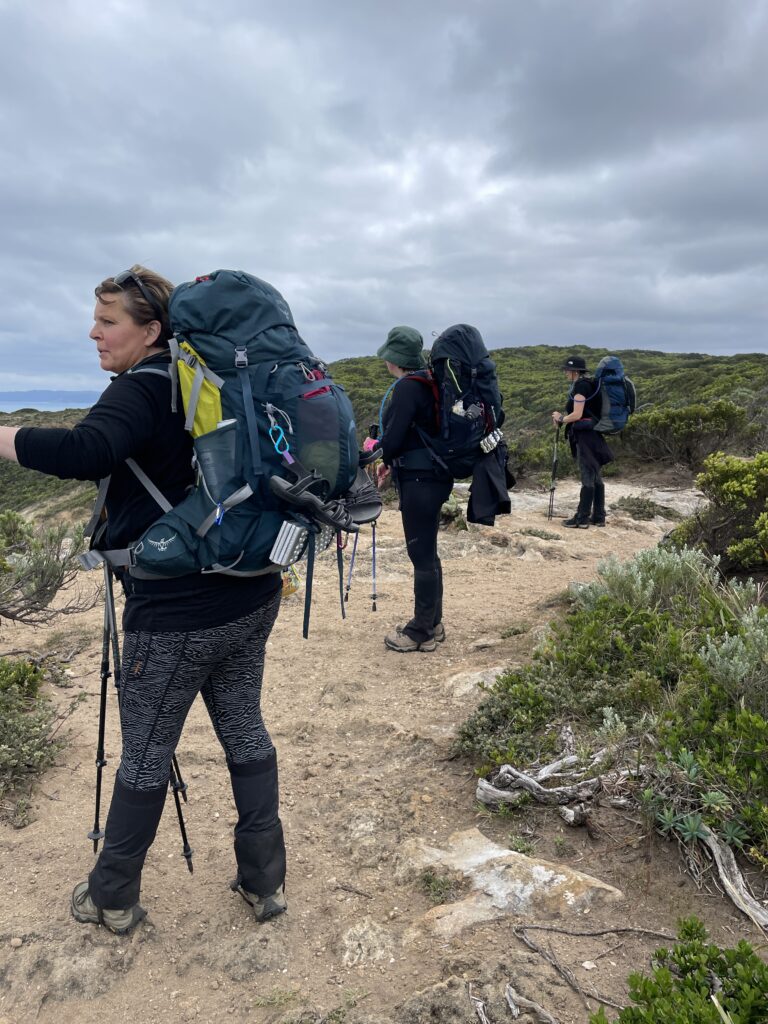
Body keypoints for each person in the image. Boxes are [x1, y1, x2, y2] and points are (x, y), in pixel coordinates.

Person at [0, 266, 286, 933]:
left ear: (151, 330)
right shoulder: (208, 387)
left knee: (147, 750)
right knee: (244, 728)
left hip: (178, 613)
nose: (93, 333)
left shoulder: (145, 387)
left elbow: (85, 449)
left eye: (108, 322)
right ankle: (264, 882)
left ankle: (111, 895)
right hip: (249, 590)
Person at [375, 326, 453, 653]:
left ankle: (420, 632)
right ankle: (433, 622)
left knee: (419, 553)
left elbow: (392, 437)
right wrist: (392, 460)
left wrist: (383, 454)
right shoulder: (431, 382)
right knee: (428, 551)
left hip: (419, 480)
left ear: (394, 358)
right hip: (436, 476)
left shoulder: (407, 387)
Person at [551, 355, 614, 528]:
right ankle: (599, 516)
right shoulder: (591, 384)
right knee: (595, 475)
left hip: (585, 437)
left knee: (587, 474)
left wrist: (561, 418)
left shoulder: (580, 387)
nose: (565, 373)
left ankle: (582, 518)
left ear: (575, 371)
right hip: (594, 434)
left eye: (567, 370)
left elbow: (577, 414)